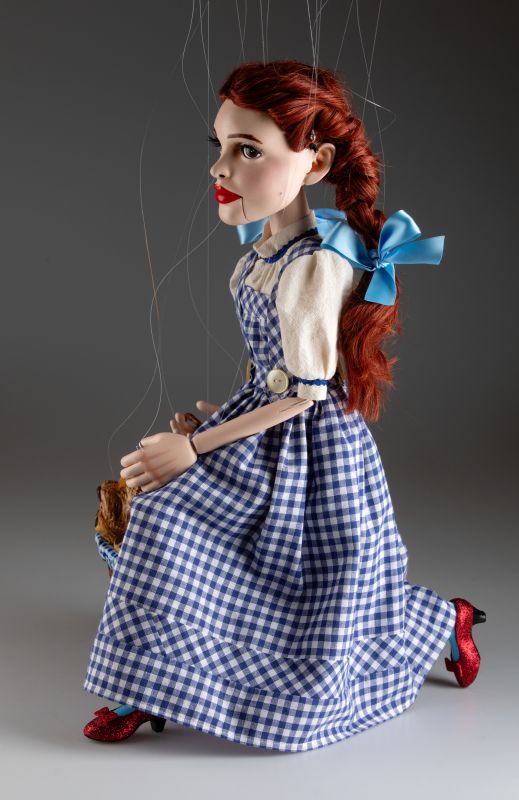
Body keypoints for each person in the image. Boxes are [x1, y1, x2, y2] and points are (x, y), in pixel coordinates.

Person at [82, 60, 485, 752]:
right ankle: (153, 680)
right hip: (262, 424)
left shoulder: (311, 264)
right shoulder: (259, 255)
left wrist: (197, 447)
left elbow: (303, 392)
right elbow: (268, 373)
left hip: (312, 447)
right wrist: (215, 416)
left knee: (312, 577)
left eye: (248, 150)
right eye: (220, 146)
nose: (222, 167)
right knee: (156, 514)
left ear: (315, 163)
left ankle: (442, 621)